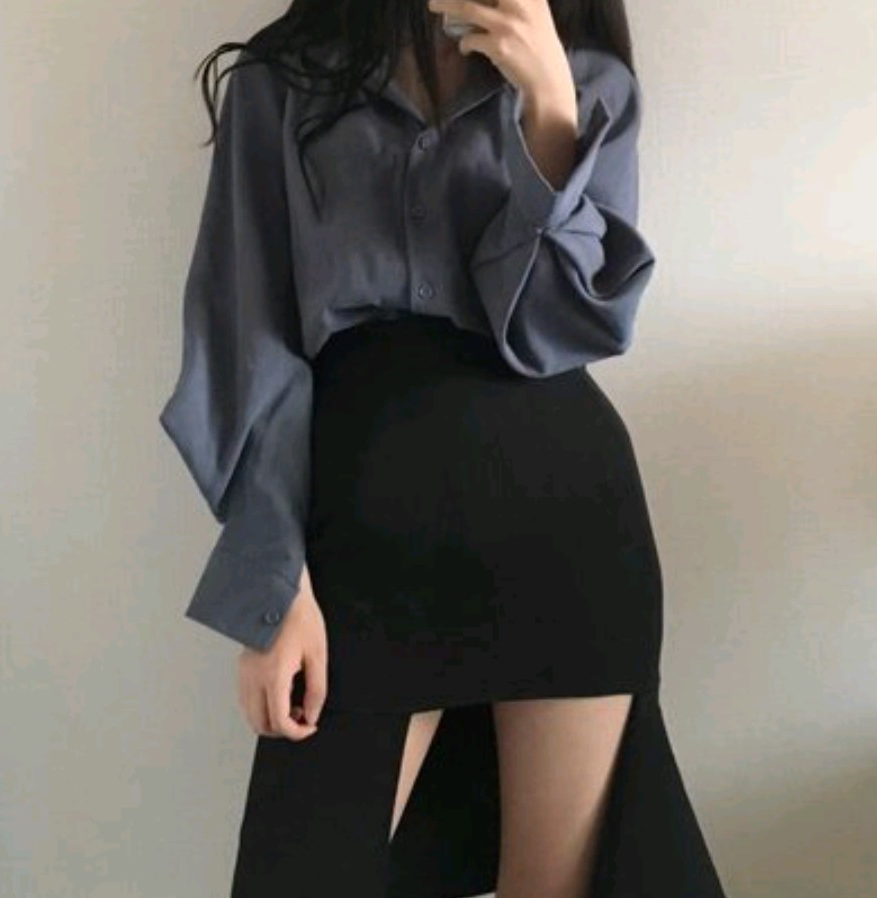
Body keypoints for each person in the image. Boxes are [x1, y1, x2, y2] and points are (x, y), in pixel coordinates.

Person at [158, 1, 729, 895]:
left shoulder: (589, 85)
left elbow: (563, 329)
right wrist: (276, 588)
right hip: (362, 538)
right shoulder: (284, 81)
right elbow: (246, 343)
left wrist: (549, 114)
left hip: (564, 529)